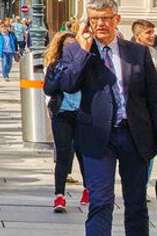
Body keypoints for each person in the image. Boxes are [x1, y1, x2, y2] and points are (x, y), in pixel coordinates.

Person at [43, 0, 157, 236]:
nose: (100, 24)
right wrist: (83, 50)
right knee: (100, 201)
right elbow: (69, 85)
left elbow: (154, 101)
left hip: (134, 135)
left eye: (105, 18)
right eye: (94, 19)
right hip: (96, 137)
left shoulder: (138, 53)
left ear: (117, 20)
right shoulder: (76, 51)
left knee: (136, 203)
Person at [43, 30, 88, 213]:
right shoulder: (55, 66)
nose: (70, 49)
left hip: (83, 113)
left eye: (73, 45)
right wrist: (62, 74)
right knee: (63, 155)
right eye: (66, 45)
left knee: (83, 153)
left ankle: (88, 190)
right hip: (61, 113)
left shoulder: (86, 65)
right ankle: (59, 196)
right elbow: (49, 89)